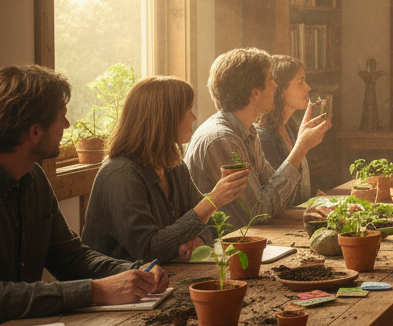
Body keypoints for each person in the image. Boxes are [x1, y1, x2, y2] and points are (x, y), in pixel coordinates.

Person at [0, 65, 171, 322]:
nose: (67, 125)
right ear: (35, 132)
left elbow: (71, 257)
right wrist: (95, 290)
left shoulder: (34, 178)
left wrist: (134, 271)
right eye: (62, 116)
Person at [81, 77, 250, 263]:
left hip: (164, 279)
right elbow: (149, 251)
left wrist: (198, 240)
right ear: (166, 119)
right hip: (121, 287)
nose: (194, 118)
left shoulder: (173, 165)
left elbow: (210, 225)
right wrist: (213, 200)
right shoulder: (120, 175)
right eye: (188, 110)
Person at [185, 48, 329, 228]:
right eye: (270, 79)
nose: (275, 85)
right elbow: (257, 212)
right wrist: (301, 148)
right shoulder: (221, 139)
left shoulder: (248, 131)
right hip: (220, 248)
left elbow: (274, 191)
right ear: (255, 93)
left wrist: (313, 209)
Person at [255, 56, 314, 205]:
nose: (308, 87)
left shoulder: (290, 127)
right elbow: (275, 197)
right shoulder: (263, 136)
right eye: (300, 82)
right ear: (279, 88)